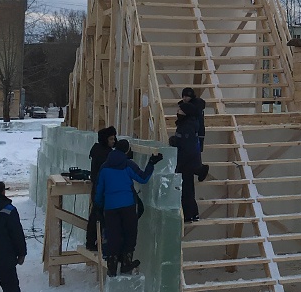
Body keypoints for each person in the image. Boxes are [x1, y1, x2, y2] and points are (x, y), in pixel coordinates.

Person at [94, 140, 161, 276]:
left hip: (110, 207)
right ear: (126, 151)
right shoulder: (128, 164)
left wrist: (99, 206)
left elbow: (99, 189)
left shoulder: (104, 167)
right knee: (130, 234)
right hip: (128, 206)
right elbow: (143, 178)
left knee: (113, 235)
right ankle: (126, 263)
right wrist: (151, 163)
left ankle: (112, 267)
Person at [168, 106, 210, 222]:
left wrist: (176, 146)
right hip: (187, 162)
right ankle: (192, 214)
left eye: (180, 110)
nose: (177, 112)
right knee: (188, 190)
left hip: (185, 163)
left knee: (186, 191)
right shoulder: (186, 124)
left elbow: (188, 147)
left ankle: (188, 215)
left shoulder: (187, 126)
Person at [85, 125, 116, 251]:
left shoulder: (97, 149)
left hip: (98, 187)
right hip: (102, 189)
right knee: (100, 217)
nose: (113, 142)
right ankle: (98, 243)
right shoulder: (105, 154)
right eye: (111, 139)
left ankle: (92, 242)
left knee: (95, 216)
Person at [179, 87, 207, 151]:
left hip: (194, 135)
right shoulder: (196, 106)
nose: (184, 98)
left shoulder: (194, 108)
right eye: (183, 96)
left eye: (186, 96)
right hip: (190, 135)